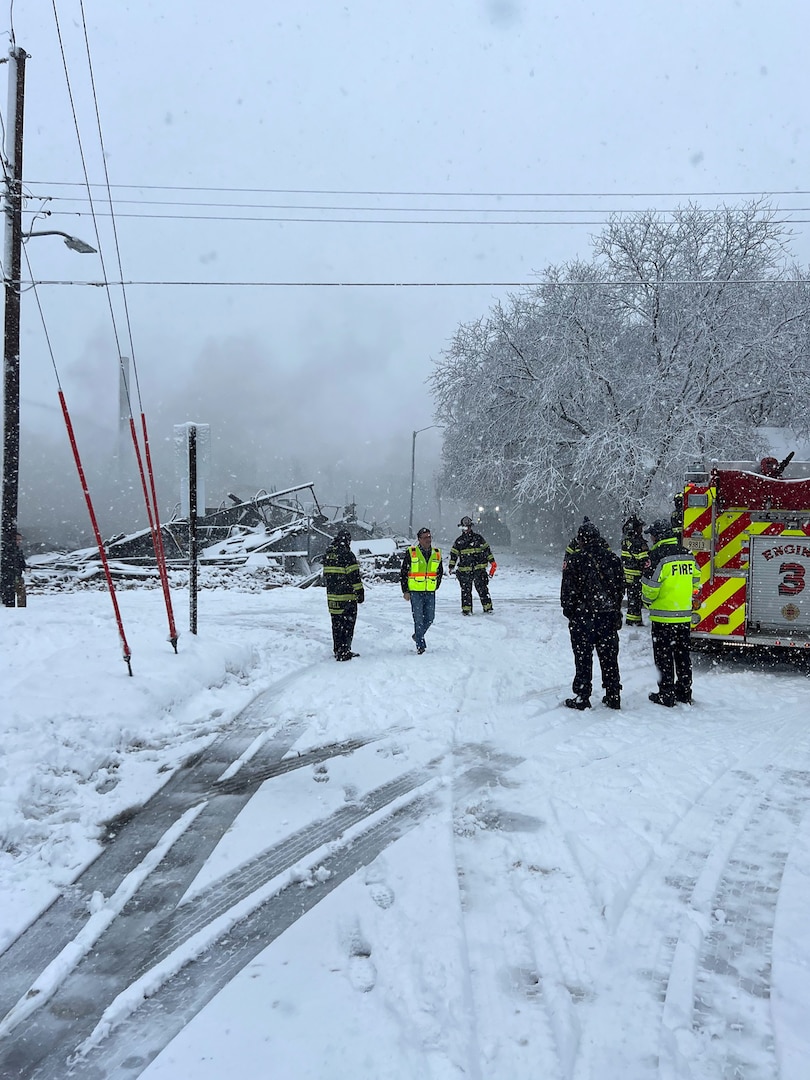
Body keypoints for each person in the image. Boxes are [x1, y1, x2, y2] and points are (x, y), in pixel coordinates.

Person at [560, 518, 625, 710]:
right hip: (607, 616)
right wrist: (614, 610)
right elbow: (620, 588)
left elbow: (567, 592)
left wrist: (571, 612)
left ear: (581, 540)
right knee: (609, 658)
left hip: (583, 618)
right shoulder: (613, 559)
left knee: (583, 658)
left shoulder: (575, 560)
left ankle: (582, 695)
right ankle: (613, 694)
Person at [641, 519, 701, 706]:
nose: (650, 538)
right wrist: (685, 597)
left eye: (651, 535)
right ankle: (684, 692)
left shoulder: (657, 556)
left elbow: (650, 588)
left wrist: (648, 602)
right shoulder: (687, 554)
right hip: (683, 616)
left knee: (664, 657)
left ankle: (666, 694)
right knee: (682, 656)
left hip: (663, 617)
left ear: (657, 536)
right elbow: (696, 580)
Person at [322, 529, 364, 661]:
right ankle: (344, 651)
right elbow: (354, 577)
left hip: (332, 597)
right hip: (347, 598)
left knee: (336, 624)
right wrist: (360, 593)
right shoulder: (347, 554)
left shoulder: (328, 554)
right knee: (347, 625)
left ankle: (337, 649)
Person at [400, 526, 443, 654]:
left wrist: (436, 585)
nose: (428, 540)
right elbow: (404, 573)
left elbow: (439, 571)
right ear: (419, 540)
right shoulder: (412, 552)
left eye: (429, 537)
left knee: (430, 618)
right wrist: (405, 591)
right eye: (425, 538)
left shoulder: (436, 552)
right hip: (415, 592)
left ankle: (417, 635)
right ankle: (421, 645)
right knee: (418, 619)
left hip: (430, 591)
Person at [448, 515, 495, 615]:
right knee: (466, 591)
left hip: (479, 570)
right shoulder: (459, 541)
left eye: (468, 527)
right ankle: (467, 610)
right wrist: (451, 567)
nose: (467, 529)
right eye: (465, 527)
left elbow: (487, 550)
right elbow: (454, 555)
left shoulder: (479, 538)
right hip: (465, 571)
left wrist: (492, 562)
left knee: (483, 589)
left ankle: (488, 608)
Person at [620, 515, 648, 626]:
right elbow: (644, 561)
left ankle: (632, 619)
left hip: (628, 575)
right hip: (637, 576)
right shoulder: (639, 543)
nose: (641, 529)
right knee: (636, 600)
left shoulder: (626, 541)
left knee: (632, 599)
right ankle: (634, 621)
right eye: (640, 527)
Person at [13, 532, 27, 608]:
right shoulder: (8, 551)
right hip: (9, 576)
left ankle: (21, 609)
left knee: (21, 592)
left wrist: (25, 568)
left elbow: (22, 563)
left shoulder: (19, 551)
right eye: (17, 539)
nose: (19, 542)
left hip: (18, 575)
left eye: (20, 540)